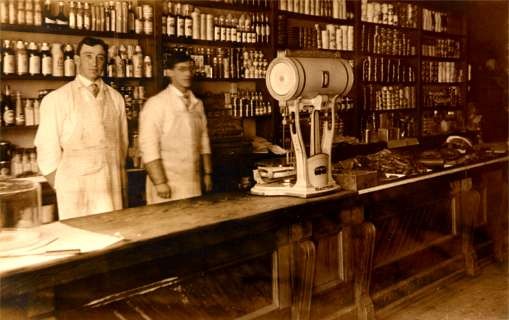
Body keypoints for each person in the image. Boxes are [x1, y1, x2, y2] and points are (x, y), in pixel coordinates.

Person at [34, 37, 128, 219]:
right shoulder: (57, 99)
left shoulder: (116, 98)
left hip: (111, 184)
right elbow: (46, 151)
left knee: (115, 236)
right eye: (88, 56)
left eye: (100, 57)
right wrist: (63, 186)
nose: (94, 63)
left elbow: (122, 146)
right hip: (76, 191)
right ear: (77, 60)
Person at [139, 52, 212, 204]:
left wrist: (207, 173)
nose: (187, 73)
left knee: (193, 224)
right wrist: (160, 182)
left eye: (190, 69)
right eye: (181, 69)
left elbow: (204, 141)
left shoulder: (197, 104)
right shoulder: (156, 104)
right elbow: (148, 146)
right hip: (167, 184)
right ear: (169, 72)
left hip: (192, 181)